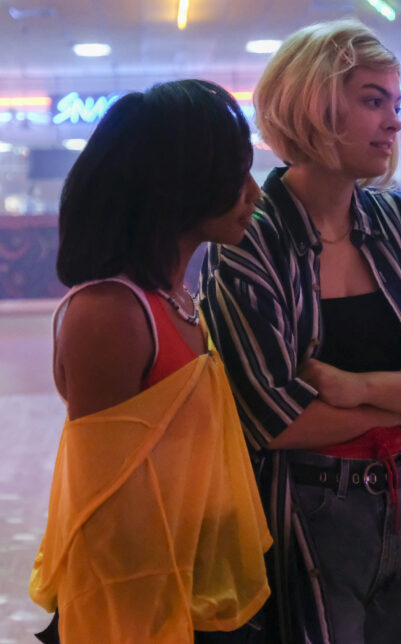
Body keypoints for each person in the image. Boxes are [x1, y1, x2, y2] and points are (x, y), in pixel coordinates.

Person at [200, 20, 401, 644]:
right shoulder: (249, 240)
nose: (394, 123)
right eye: (372, 100)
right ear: (314, 105)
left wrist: (358, 388)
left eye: (396, 103)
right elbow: (273, 421)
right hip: (297, 514)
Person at [29, 80, 271, 643]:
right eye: (238, 174)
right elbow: (104, 510)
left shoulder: (179, 298)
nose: (255, 194)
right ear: (182, 182)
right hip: (140, 608)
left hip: (195, 590)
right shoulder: (111, 313)